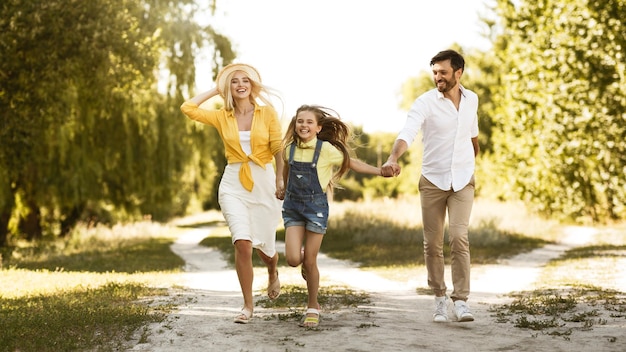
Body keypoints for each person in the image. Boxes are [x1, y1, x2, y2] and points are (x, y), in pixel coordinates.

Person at [180, 63, 285, 324]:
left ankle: (272, 270)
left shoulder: (267, 113)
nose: (240, 85)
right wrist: (215, 90)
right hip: (233, 183)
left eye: (245, 81)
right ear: (229, 87)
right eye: (235, 81)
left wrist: (281, 178)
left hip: (264, 181)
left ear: (252, 86)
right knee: (242, 243)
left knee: (265, 247)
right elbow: (188, 108)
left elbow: (278, 148)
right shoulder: (221, 115)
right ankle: (247, 306)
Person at [382, 49, 480, 323]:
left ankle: (461, 301)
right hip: (433, 181)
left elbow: (473, 137)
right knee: (433, 243)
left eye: (443, 72)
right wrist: (393, 157)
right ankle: (439, 298)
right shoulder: (425, 102)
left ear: (458, 73)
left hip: (462, 180)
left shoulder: (472, 99)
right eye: (435, 72)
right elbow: (408, 132)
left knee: (459, 237)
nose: (438, 77)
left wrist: (473, 164)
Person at [277, 105, 393, 328]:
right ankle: (304, 263)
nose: (304, 125)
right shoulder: (288, 149)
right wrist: (281, 186)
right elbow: (286, 170)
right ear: (295, 124)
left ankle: (312, 307)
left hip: (316, 208)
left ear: (319, 128)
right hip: (293, 207)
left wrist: (380, 171)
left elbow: (353, 163)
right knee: (293, 259)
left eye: (310, 122)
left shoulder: (327, 150)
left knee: (310, 261)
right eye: (300, 121)